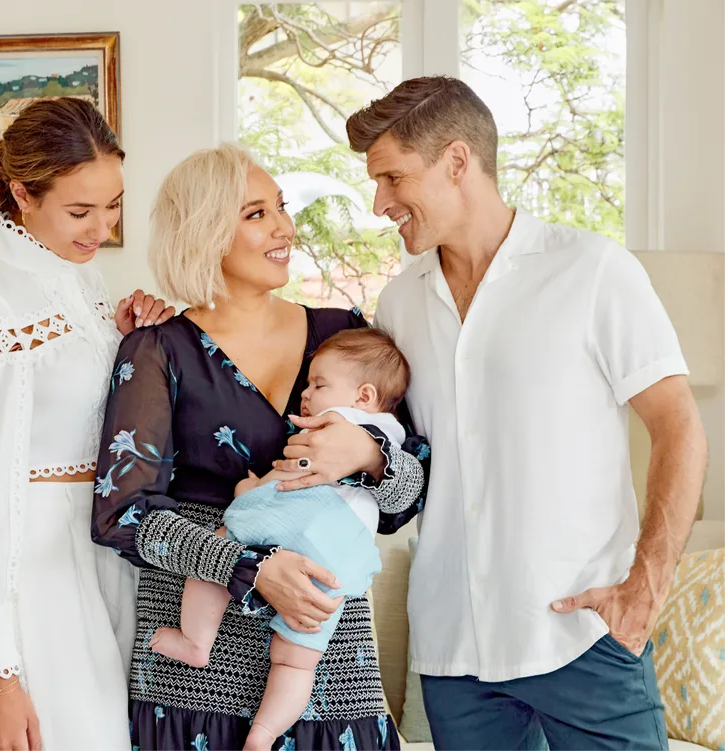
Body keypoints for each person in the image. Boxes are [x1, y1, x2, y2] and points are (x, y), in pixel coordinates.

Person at [273, 75, 708, 750]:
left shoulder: (592, 270)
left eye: (392, 178)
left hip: (582, 633)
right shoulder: (400, 304)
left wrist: (646, 584)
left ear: (455, 161)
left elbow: (678, 423)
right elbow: (396, 453)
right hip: (454, 652)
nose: (380, 202)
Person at [91, 143, 429, 751]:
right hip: (198, 684)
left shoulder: (345, 334)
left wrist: (370, 456)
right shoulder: (157, 349)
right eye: (256, 214)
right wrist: (252, 569)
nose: (284, 227)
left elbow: (409, 495)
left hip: (331, 670)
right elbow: (121, 515)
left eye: (281, 207)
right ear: (204, 233)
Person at [0, 97, 174, 751]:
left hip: (106, 554)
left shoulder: (83, 278)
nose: (102, 227)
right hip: (37, 573)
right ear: (21, 194)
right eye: (80, 210)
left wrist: (128, 340)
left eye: (113, 204)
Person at [150, 327, 410, 751]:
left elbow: (299, 467)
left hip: (312, 520)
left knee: (218, 547)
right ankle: (265, 733)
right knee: (296, 658)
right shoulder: (388, 435)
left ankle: (196, 640)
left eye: (318, 384)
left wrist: (252, 491)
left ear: (364, 396)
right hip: (346, 557)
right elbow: (400, 482)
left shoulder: (339, 422)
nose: (306, 395)